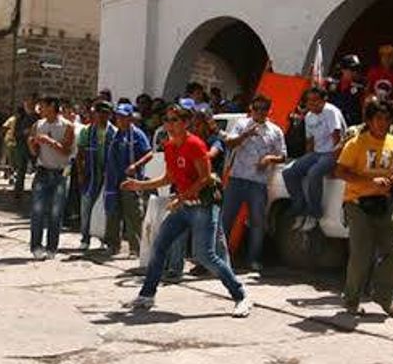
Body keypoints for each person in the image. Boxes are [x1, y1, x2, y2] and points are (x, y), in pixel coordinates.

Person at [122, 104, 252, 318]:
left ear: (185, 123)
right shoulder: (170, 147)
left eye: (174, 121)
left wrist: (180, 198)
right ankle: (147, 295)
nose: (169, 125)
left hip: (203, 206)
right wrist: (139, 185)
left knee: (206, 255)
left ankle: (241, 296)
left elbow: (205, 178)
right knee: (160, 245)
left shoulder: (195, 145)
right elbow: (168, 178)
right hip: (183, 206)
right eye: (167, 120)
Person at [335, 98, 393, 317]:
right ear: (369, 120)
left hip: (384, 203)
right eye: (378, 118)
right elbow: (340, 171)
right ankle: (352, 299)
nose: (382, 123)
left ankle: (384, 296)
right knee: (361, 254)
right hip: (357, 203)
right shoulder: (356, 143)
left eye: (387, 119)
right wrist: (369, 182)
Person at [222, 95, 287, 274]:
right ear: (251, 108)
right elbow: (228, 143)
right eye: (256, 108)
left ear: (269, 111)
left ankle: (253, 259)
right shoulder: (242, 124)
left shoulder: (275, 131)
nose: (259, 112)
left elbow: (283, 155)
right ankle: (219, 257)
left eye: (263, 109)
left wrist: (269, 159)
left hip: (258, 182)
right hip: (237, 178)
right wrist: (246, 135)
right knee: (226, 219)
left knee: (257, 223)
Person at [282, 87, 346, 231]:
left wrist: (337, 163)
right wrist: (305, 161)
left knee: (314, 173)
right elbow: (310, 141)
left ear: (324, 100)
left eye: (315, 100)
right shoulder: (309, 116)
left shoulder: (330, 111)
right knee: (288, 172)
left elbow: (337, 138)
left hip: (333, 152)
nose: (312, 104)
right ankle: (300, 208)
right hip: (317, 153)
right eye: (309, 101)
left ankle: (314, 214)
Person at [27, 97, 75, 260]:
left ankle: (52, 247)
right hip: (42, 171)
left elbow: (66, 151)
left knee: (56, 213)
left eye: (44, 106)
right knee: (37, 211)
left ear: (52, 107)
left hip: (60, 173)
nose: (41, 109)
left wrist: (49, 141)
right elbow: (34, 152)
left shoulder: (67, 126)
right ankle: (36, 246)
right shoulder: (38, 125)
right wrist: (32, 144)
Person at [103, 103, 152, 257]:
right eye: (118, 116)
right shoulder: (114, 134)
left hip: (131, 180)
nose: (120, 119)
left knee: (134, 215)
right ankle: (113, 245)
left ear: (130, 118)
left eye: (123, 117)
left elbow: (149, 153)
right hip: (113, 180)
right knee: (112, 213)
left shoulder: (137, 134)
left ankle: (136, 248)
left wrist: (136, 166)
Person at [77, 101, 114, 251]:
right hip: (90, 174)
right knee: (86, 207)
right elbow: (80, 154)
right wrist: (80, 173)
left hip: (108, 176)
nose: (101, 116)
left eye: (104, 113)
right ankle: (85, 238)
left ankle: (105, 238)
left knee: (107, 208)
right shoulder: (87, 131)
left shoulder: (114, 132)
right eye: (98, 112)